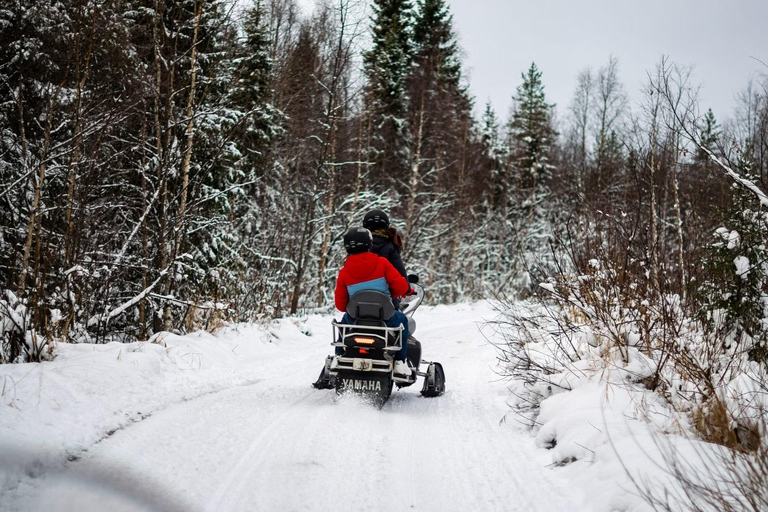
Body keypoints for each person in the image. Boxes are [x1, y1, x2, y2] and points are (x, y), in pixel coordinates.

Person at [335, 227, 412, 377]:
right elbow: (402, 286)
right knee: (403, 321)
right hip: (385, 318)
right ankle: (400, 362)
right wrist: (394, 293)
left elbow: (340, 305)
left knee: (344, 321)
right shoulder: (382, 263)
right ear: (369, 243)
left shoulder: (344, 271)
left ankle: (339, 355)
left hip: (356, 318)